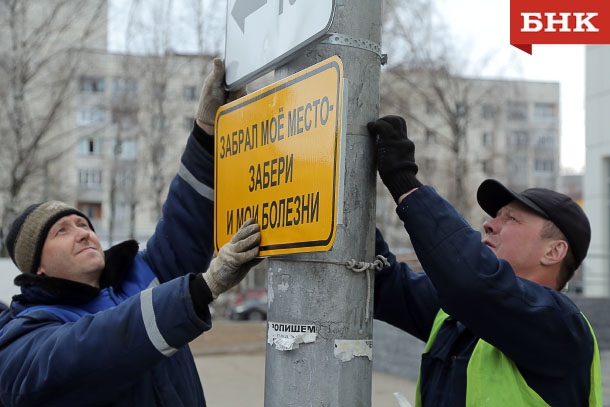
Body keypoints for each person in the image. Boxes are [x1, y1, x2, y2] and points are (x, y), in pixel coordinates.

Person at [0, 58, 256, 406]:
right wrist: (201, 288)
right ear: (37, 268)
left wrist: (206, 131)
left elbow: (185, 221)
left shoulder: (138, 280)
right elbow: (90, 349)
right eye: (61, 231)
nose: (82, 233)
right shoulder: (24, 336)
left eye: (83, 224)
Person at [367, 115, 602, 406]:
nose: (489, 224)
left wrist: (404, 181)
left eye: (511, 218)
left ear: (553, 252)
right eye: (495, 216)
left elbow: (471, 280)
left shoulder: (561, 326)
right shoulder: (458, 316)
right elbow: (382, 281)